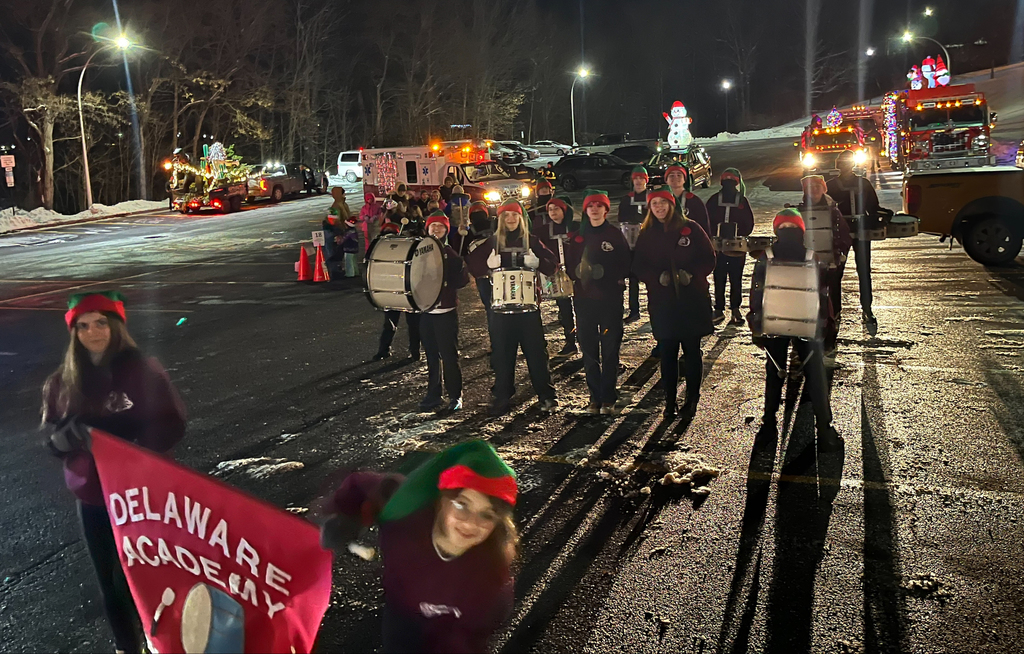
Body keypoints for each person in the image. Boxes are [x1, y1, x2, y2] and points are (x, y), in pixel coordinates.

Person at [42, 291, 186, 654]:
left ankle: (164, 641)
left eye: (101, 323)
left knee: (143, 576)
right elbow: (51, 438)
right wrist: (64, 439)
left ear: (116, 325)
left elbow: (172, 423)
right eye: (83, 326)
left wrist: (131, 442)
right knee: (109, 580)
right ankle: (126, 646)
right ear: (74, 333)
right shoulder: (61, 382)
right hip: (94, 496)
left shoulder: (142, 371)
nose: (93, 333)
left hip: (142, 494)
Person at [320, 440, 518, 654]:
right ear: (441, 500)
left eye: (487, 515)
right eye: (462, 504)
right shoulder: (405, 514)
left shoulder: (491, 578)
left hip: (449, 629)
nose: (470, 522)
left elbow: (472, 639)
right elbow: (362, 484)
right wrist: (346, 513)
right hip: (401, 611)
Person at [747, 210, 843, 451]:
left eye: (791, 225)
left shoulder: (769, 256)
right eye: (784, 226)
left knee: (788, 372)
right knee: (803, 373)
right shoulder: (809, 256)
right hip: (792, 323)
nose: (788, 230)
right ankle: (815, 426)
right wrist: (826, 322)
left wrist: (756, 323)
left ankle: (780, 423)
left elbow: (822, 293)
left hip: (788, 322)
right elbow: (823, 292)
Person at [466, 200, 558, 416]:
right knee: (502, 354)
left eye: (514, 215)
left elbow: (552, 264)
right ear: (500, 219)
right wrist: (486, 265)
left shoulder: (531, 240)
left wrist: (539, 263)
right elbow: (472, 265)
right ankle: (502, 395)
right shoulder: (492, 242)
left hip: (528, 309)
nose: (510, 219)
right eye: (506, 216)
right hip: (500, 310)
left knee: (536, 353)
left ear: (520, 218)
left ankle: (546, 395)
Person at [632, 186, 716, 419]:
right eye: (654, 203)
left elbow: (709, 259)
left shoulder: (691, 229)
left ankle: (691, 400)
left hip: (692, 300)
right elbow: (638, 265)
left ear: (672, 205)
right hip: (663, 302)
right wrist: (655, 278)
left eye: (663, 202)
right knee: (667, 352)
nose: (659, 207)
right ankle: (669, 401)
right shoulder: (647, 233)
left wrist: (692, 274)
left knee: (692, 351)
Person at [565, 191, 631, 414]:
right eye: (590, 206)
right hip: (584, 301)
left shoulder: (614, 234)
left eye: (598, 206)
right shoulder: (577, 237)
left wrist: (608, 273)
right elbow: (568, 267)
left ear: (605, 209)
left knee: (610, 348)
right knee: (589, 349)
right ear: (585, 210)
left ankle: (609, 396)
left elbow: (626, 264)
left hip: (610, 299)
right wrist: (576, 273)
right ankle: (594, 396)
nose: (594, 209)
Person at [826, 150, 885, 328]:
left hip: (844, 234)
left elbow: (873, 208)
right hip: (850, 234)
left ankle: (839, 313)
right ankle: (858, 310)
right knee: (854, 273)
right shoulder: (862, 184)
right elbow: (874, 208)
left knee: (841, 273)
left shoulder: (831, 186)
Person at [419, 211, 471, 413]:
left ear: (446, 230)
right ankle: (433, 393)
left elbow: (462, 282)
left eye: (440, 226)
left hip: (446, 311)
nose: (436, 229)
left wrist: (459, 269)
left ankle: (455, 394)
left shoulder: (451, 253)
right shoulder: (420, 251)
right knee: (431, 355)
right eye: (433, 226)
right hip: (426, 311)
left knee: (449, 355)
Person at [797, 174, 851, 360]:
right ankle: (806, 344)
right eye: (809, 187)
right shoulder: (799, 211)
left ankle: (829, 342)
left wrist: (839, 256)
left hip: (830, 267)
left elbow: (844, 237)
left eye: (817, 187)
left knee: (831, 305)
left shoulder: (833, 212)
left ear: (823, 189)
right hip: (807, 268)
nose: (813, 191)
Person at [705, 168, 755, 326]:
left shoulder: (739, 201)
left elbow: (749, 223)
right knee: (723, 277)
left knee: (732, 278)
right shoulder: (716, 200)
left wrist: (738, 233)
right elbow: (707, 222)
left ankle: (732, 308)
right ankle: (722, 309)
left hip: (734, 247)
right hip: (721, 247)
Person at [536, 195, 580, 356]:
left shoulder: (576, 227)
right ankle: (570, 341)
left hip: (577, 274)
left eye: (557, 209)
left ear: (564, 210)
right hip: (557, 275)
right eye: (550, 209)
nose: (553, 212)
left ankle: (584, 340)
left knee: (581, 309)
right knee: (564, 309)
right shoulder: (544, 231)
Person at [617, 166, 650, 322]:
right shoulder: (626, 199)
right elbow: (621, 218)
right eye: (636, 178)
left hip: (647, 241)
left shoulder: (651, 197)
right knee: (633, 277)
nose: (638, 181)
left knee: (652, 277)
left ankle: (654, 309)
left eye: (641, 178)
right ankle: (634, 310)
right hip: (630, 241)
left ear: (646, 180)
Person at [465, 201, 497, 349]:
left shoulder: (468, 231)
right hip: (498, 271)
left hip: (482, 275)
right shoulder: (495, 224)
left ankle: (495, 341)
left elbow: (463, 253)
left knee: (490, 307)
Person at [664, 162, 711, 236]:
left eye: (679, 175)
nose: (675, 177)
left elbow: (704, 226)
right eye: (671, 175)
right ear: (666, 180)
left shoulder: (694, 201)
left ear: (684, 180)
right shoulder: (660, 201)